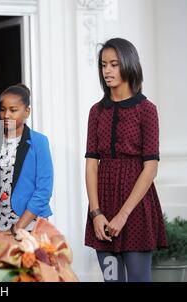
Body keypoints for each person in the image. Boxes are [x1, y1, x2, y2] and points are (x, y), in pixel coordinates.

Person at [84, 38, 167, 282]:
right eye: (103, 65)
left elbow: (150, 168)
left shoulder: (147, 110)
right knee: (112, 279)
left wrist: (123, 215)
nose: (107, 70)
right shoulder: (96, 112)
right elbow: (91, 165)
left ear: (129, 65)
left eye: (114, 64)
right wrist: (95, 212)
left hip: (137, 209)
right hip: (103, 205)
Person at [0, 84, 53, 234]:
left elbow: (44, 190)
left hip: (29, 223)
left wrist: (18, 228)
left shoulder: (39, 142)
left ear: (27, 112)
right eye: (2, 109)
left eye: (13, 110)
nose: (6, 115)